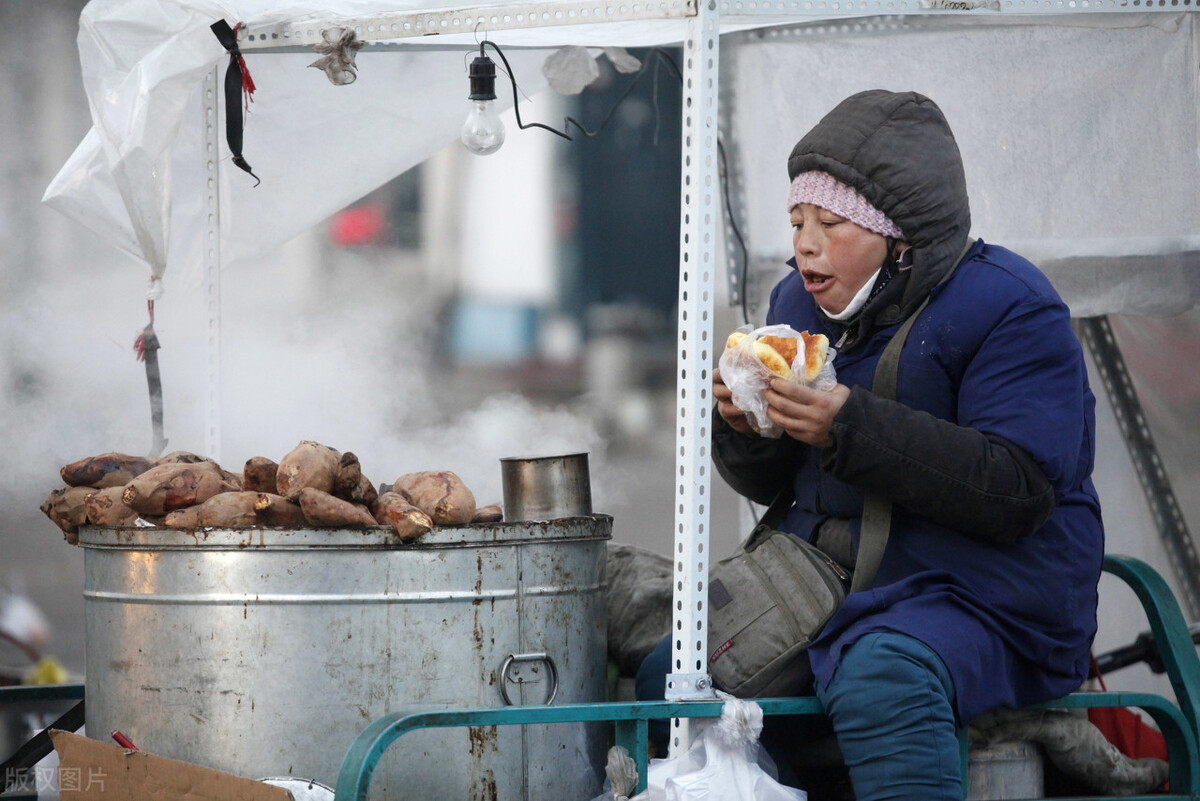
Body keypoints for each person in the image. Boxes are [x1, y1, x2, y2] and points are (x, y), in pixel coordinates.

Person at [639, 89, 1104, 800]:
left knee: (880, 674)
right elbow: (775, 484)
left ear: (902, 239)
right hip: (833, 577)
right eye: (797, 222)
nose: (805, 244)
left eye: (831, 223)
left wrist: (849, 428)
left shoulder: (1011, 306)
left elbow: (1020, 489)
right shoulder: (795, 307)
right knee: (672, 675)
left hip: (986, 589)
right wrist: (746, 427)